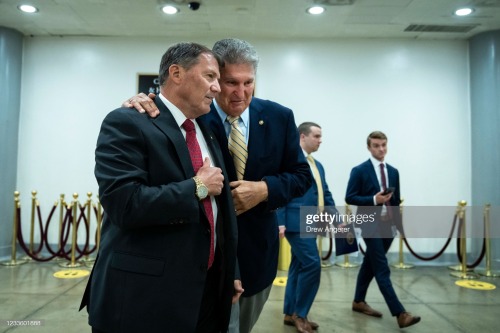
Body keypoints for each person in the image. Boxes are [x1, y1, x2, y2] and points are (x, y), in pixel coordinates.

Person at [125, 38, 312, 333]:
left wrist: (263, 190)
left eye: (248, 82)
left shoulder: (279, 117)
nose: (240, 93)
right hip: (199, 259)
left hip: (255, 255)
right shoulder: (196, 114)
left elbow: (302, 175)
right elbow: (163, 111)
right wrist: (142, 99)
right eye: (229, 82)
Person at [79, 42, 239, 333]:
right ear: (176, 73)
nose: (217, 88)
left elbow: (220, 215)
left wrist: (230, 273)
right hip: (143, 298)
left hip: (205, 293)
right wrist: (197, 187)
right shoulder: (127, 121)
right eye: (210, 76)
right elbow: (125, 204)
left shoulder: (207, 129)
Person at [345, 131, 421, 329]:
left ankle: (358, 301)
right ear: (369, 147)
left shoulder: (394, 171)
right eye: (377, 145)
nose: (381, 149)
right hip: (369, 224)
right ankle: (400, 313)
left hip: (389, 226)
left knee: (370, 263)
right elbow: (350, 197)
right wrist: (374, 199)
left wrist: (399, 226)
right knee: (381, 267)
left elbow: (395, 202)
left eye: (384, 145)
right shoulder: (359, 170)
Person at [277, 122, 336, 333]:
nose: (321, 140)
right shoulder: (291, 161)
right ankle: (300, 315)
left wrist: (336, 220)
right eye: (317, 136)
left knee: (299, 265)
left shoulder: (317, 165)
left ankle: (289, 312)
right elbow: (282, 191)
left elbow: (325, 194)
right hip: (296, 221)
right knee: (312, 265)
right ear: (302, 136)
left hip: (312, 221)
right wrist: (280, 221)